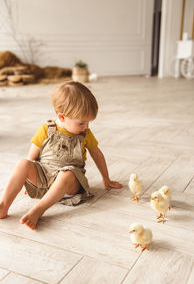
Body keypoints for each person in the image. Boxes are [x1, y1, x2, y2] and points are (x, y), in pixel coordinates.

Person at [0, 81, 122, 230]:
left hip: (70, 184)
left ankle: (39, 209)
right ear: (62, 117)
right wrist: (29, 180)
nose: (86, 127)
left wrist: (106, 178)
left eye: (88, 122)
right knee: (22, 164)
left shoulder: (85, 135)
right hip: (45, 177)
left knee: (67, 174)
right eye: (82, 123)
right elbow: (32, 158)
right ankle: (4, 205)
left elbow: (97, 154)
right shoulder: (46, 129)